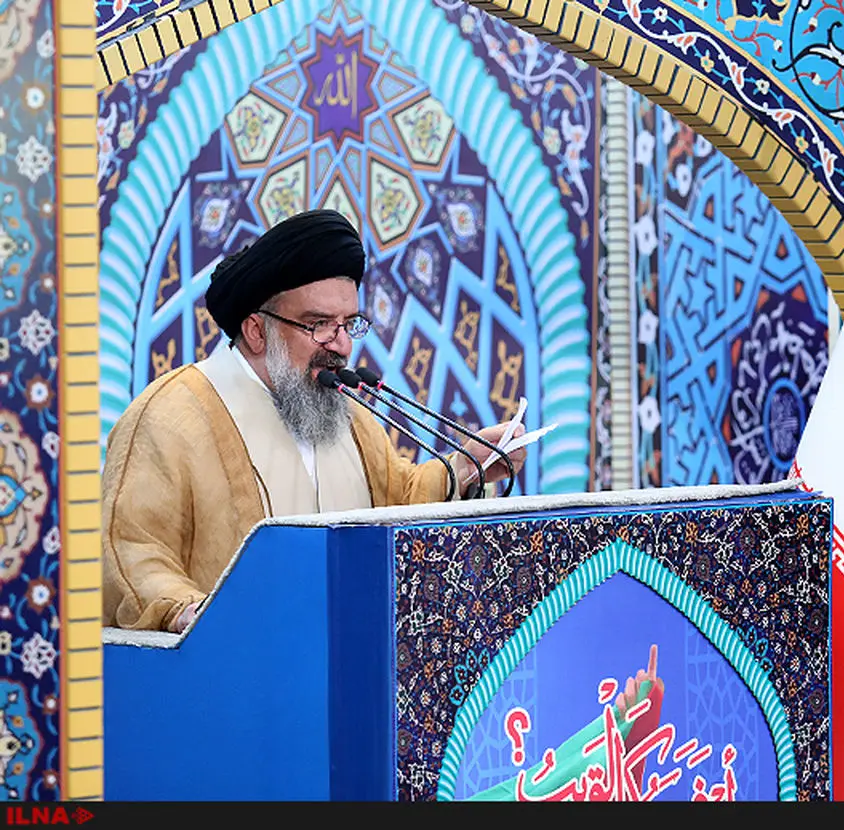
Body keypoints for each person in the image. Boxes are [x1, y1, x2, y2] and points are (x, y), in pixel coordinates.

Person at [101, 210, 526, 633]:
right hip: (232, 665)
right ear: (256, 331)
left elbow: (398, 500)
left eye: (348, 325)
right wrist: (187, 611)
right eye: (319, 324)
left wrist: (467, 466)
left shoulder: (348, 415)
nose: (340, 345)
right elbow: (132, 550)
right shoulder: (169, 416)